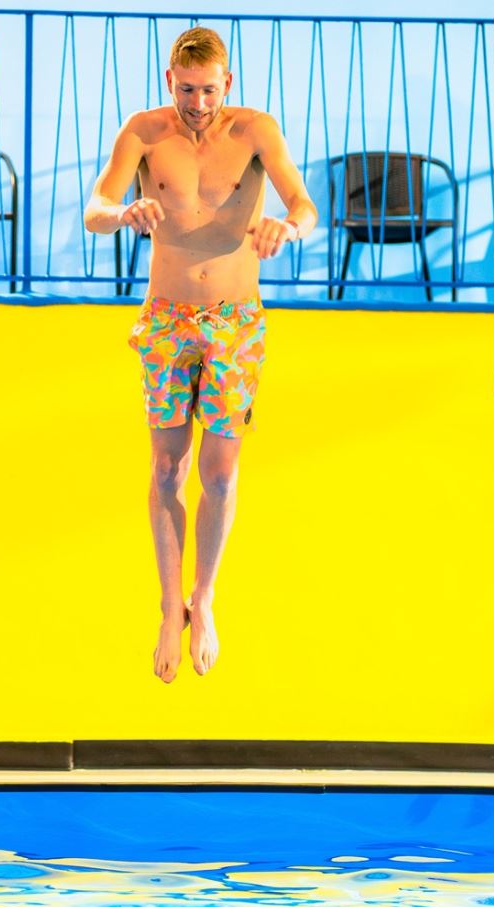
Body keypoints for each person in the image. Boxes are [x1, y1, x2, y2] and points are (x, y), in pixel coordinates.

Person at [84, 27, 317, 683]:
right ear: (170, 81)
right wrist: (122, 214)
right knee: (166, 467)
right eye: (187, 90)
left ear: (228, 83)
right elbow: (94, 208)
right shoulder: (145, 132)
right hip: (165, 319)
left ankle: (204, 596)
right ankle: (168, 606)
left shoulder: (254, 131)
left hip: (235, 321)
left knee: (217, 473)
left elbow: (305, 203)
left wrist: (288, 227)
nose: (198, 102)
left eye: (209, 90)